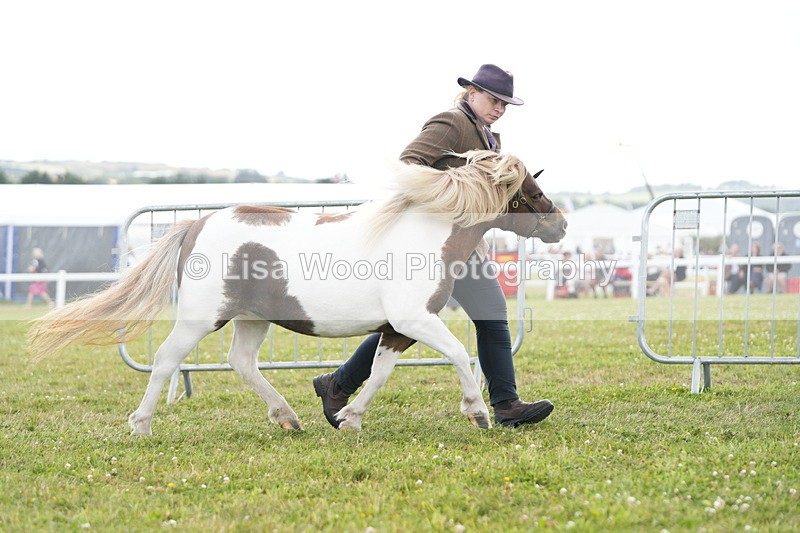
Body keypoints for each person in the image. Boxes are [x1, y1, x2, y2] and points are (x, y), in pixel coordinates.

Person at [313, 64, 554, 428]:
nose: (499, 108)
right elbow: (409, 165)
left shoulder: (488, 136)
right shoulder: (450, 122)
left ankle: (506, 404)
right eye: (494, 100)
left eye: (505, 104)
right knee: (411, 322)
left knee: (488, 318)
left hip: (465, 249)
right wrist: (457, 185)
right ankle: (338, 383)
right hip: (430, 248)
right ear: (471, 93)